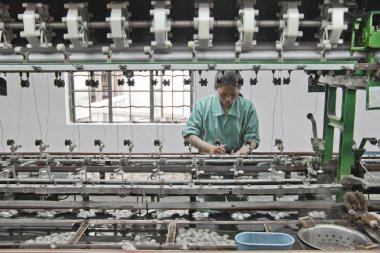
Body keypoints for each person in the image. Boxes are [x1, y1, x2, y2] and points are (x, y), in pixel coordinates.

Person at [182, 70, 260, 155]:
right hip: (207, 161)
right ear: (217, 88)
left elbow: (253, 138)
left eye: (233, 94)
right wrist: (210, 148)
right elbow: (189, 134)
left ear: (238, 90)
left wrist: (241, 152)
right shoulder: (202, 106)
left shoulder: (247, 107)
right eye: (223, 94)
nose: (228, 99)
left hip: (238, 161)